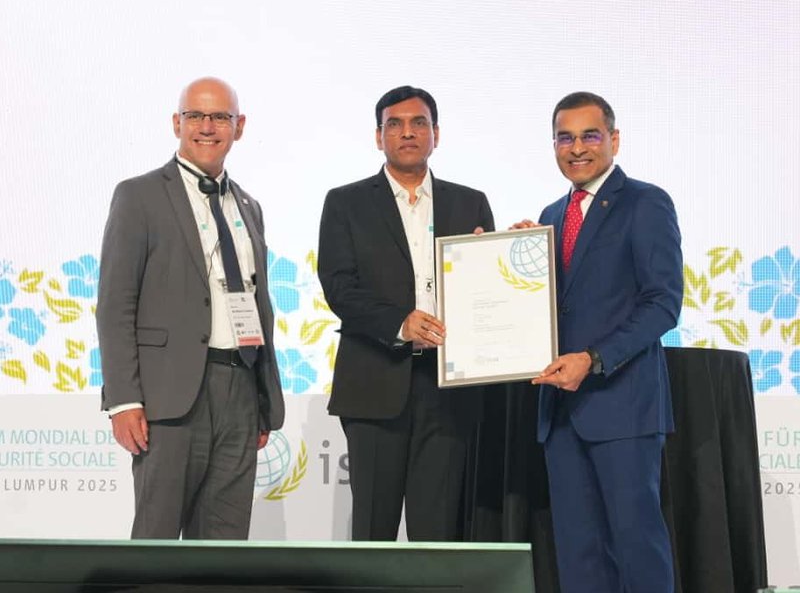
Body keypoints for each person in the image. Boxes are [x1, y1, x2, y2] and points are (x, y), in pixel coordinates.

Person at [96, 77, 284, 540]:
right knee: (156, 540)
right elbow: (116, 304)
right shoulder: (139, 195)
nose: (206, 127)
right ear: (176, 123)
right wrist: (124, 400)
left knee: (224, 547)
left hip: (240, 390)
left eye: (219, 117)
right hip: (169, 398)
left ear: (239, 127)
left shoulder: (249, 206)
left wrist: (262, 400)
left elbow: (258, 304)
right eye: (195, 115)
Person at [317, 85, 494, 541]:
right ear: (379, 137)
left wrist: (508, 253)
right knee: (372, 532)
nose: (407, 133)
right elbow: (339, 287)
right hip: (374, 384)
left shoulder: (470, 202)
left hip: (448, 389)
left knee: (438, 535)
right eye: (394, 124)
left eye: (419, 123)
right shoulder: (345, 202)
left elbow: (486, 288)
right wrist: (400, 323)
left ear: (436, 134)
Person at [523, 91, 682, 592]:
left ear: (614, 139)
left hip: (623, 407)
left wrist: (592, 359)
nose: (576, 148)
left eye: (589, 136)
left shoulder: (645, 202)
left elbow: (663, 303)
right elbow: (552, 305)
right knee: (578, 554)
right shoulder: (551, 214)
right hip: (561, 414)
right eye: (564, 138)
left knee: (637, 547)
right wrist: (506, 260)